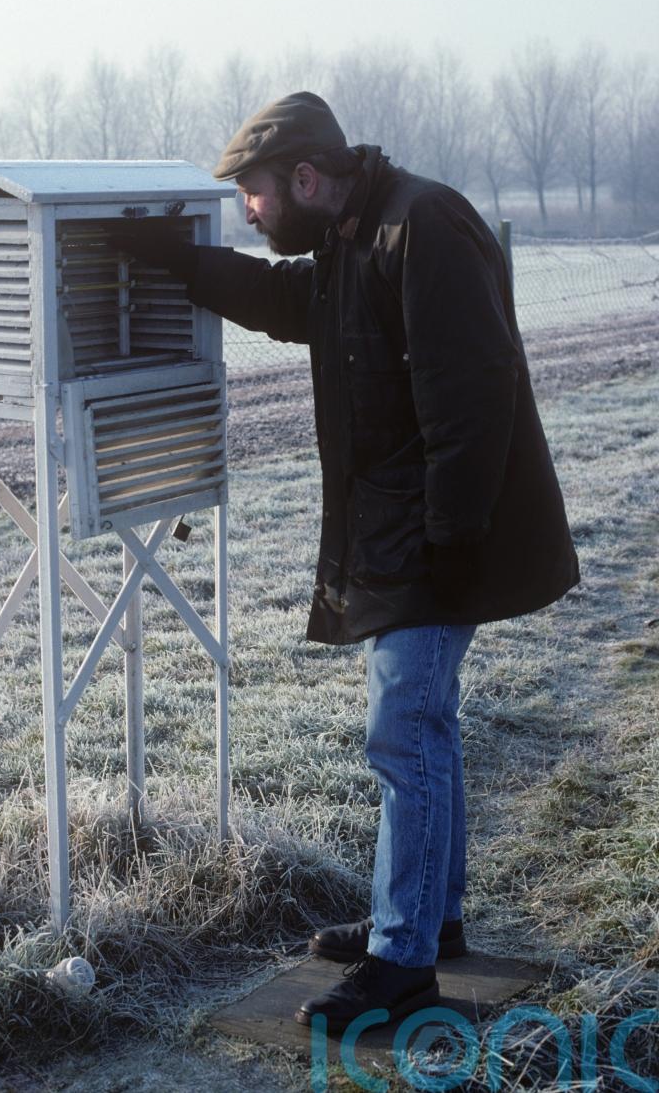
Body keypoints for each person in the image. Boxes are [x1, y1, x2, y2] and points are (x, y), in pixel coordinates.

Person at [120, 92, 579, 1032]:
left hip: (436, 535)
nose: (248, 211)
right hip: (407, 533)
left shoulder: (423, 225)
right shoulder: (356, 236)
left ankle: (401, 962)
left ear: (303, 178)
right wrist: (187, 266)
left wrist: (452, 542)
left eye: (251, 194)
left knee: (402, 735)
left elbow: (474, 395)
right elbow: (294, 306)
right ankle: (429, 922)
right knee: (426, 728)